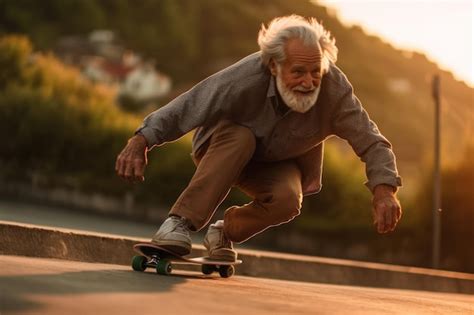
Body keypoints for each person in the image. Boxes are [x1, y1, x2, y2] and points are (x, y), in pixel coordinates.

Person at [115, 15, 402, 261]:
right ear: (274, 66)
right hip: (223, 148)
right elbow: (192, 103)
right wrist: (141, 140)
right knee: (242, 137)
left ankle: (223, 232)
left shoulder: (334, 91)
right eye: (298, 72)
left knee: (289, 200)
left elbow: (372, 140)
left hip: (277, 161)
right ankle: (177, 224)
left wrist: (384, 189)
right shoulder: (246, 77)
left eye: (316, 72)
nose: (308, 82)